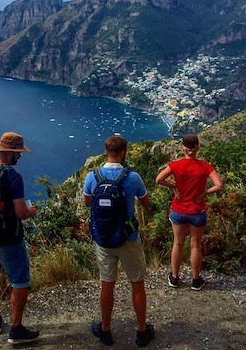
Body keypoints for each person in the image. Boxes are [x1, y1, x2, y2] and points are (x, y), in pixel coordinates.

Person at [83, 135, 154, 347]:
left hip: (103, 239)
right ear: (123, 153)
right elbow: (146, 203)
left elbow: (88, 203)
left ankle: (105, 330)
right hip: (128, 238)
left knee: (107, 284)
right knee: (137, 283)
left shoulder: (92, 176)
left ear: (106, 152)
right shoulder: (133, 177)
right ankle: (142, 331)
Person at [0, 132, 40, 345]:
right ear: (8, 153)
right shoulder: (12, 177)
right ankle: (16, 330)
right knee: (21, 282)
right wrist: (32, 210)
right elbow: (20, 212)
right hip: (9, 238)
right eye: (18, 153)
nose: (20, 157)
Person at [156, 134, 223, 291]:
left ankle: (174, 278)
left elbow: (159, 179)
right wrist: (205, 192)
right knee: (195, 246)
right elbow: (219, 185)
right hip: (197, 211)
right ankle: (196, 280)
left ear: (183, 148)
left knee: (178, 243)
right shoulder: (205, 167)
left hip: (178, 209)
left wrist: (174, 187)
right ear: (197, 148)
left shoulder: (175, 165)